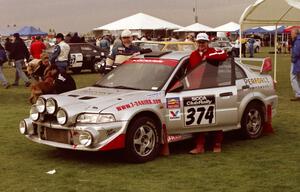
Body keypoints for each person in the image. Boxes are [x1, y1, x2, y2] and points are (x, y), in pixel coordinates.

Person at [188, 33, 228, 154]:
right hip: (197, 89)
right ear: (196, 43)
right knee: (198, 119)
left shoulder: (212, 51)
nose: (201, 44)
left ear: (207, 43)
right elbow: (190, 71)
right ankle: (200, 146)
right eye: (199, 42)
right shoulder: (193, 55)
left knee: (214, 117)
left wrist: (208, 57)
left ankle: (217, 143)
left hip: (212, 88)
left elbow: (224, 55)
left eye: (203, 42)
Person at [290, 29, 300, 101]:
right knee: (298, 77)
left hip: (296, 62)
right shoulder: (296, 40)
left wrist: (293, 60)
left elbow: (296, 52)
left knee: (293, 77)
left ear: (296, 34)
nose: (291, 35)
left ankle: (298, 94)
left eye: (292, 33)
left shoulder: (297, 41)